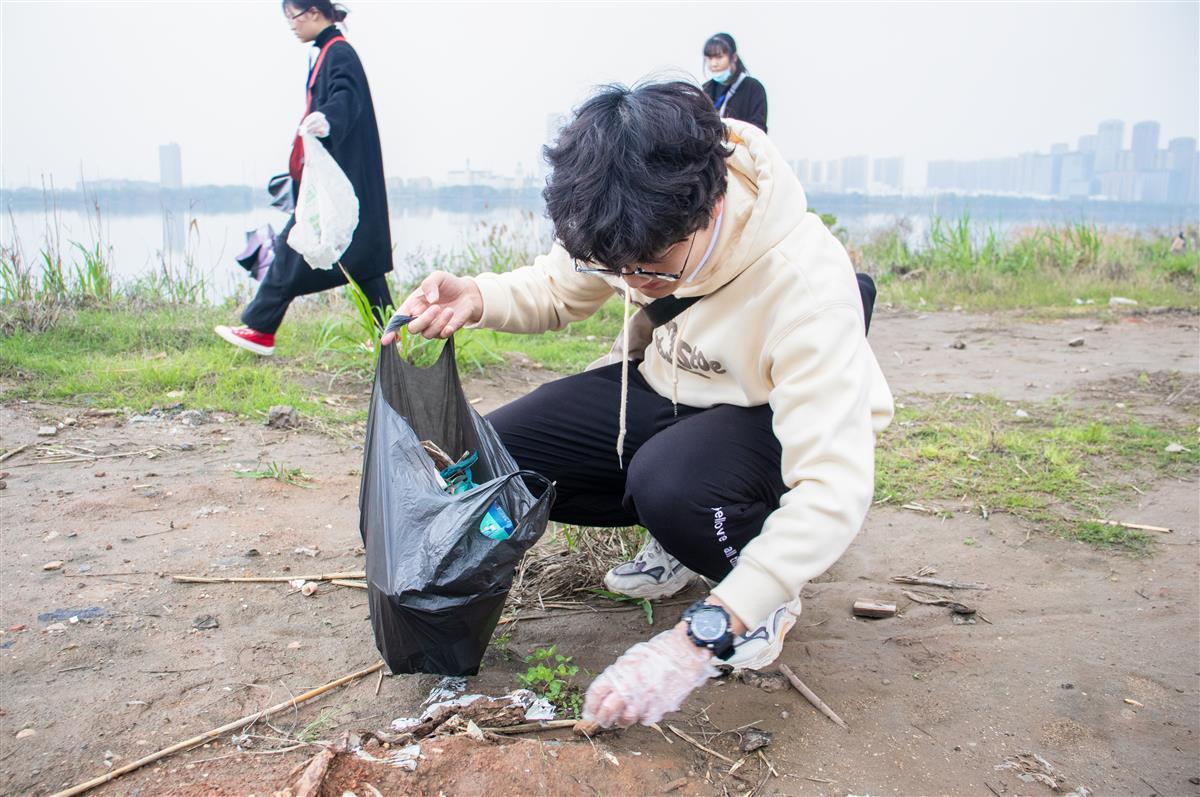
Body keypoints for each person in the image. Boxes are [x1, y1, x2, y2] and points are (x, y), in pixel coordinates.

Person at [383, 82, 893, 729]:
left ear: (710, 207)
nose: (630, 284)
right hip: (667, 386)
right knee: (499, 458)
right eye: (612, 267)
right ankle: (681, 536)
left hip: (762, 419)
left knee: (671, 483)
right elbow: (556, 288)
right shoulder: (624, 207)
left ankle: (755, 588)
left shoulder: (804, 284)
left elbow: (833, 488)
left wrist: (701, 636)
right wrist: (477, 297)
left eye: (650, 272)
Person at [216, 0, 392, 357]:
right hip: (341, 182)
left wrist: (328, 119)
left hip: (342, 185)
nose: (293, 26)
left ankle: (260, 329)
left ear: (313, 12)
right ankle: (390, 337)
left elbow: (346, 96)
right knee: (363, 262)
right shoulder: (327, 51)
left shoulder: (338, 53)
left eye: (293, 17)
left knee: (293, 247)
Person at [701, 33, 768, 133]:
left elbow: (759, 130)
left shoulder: (753, 88)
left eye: (719, 57)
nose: (713, 64)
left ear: (734, 57)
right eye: (709, 58)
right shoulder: (705, 89)